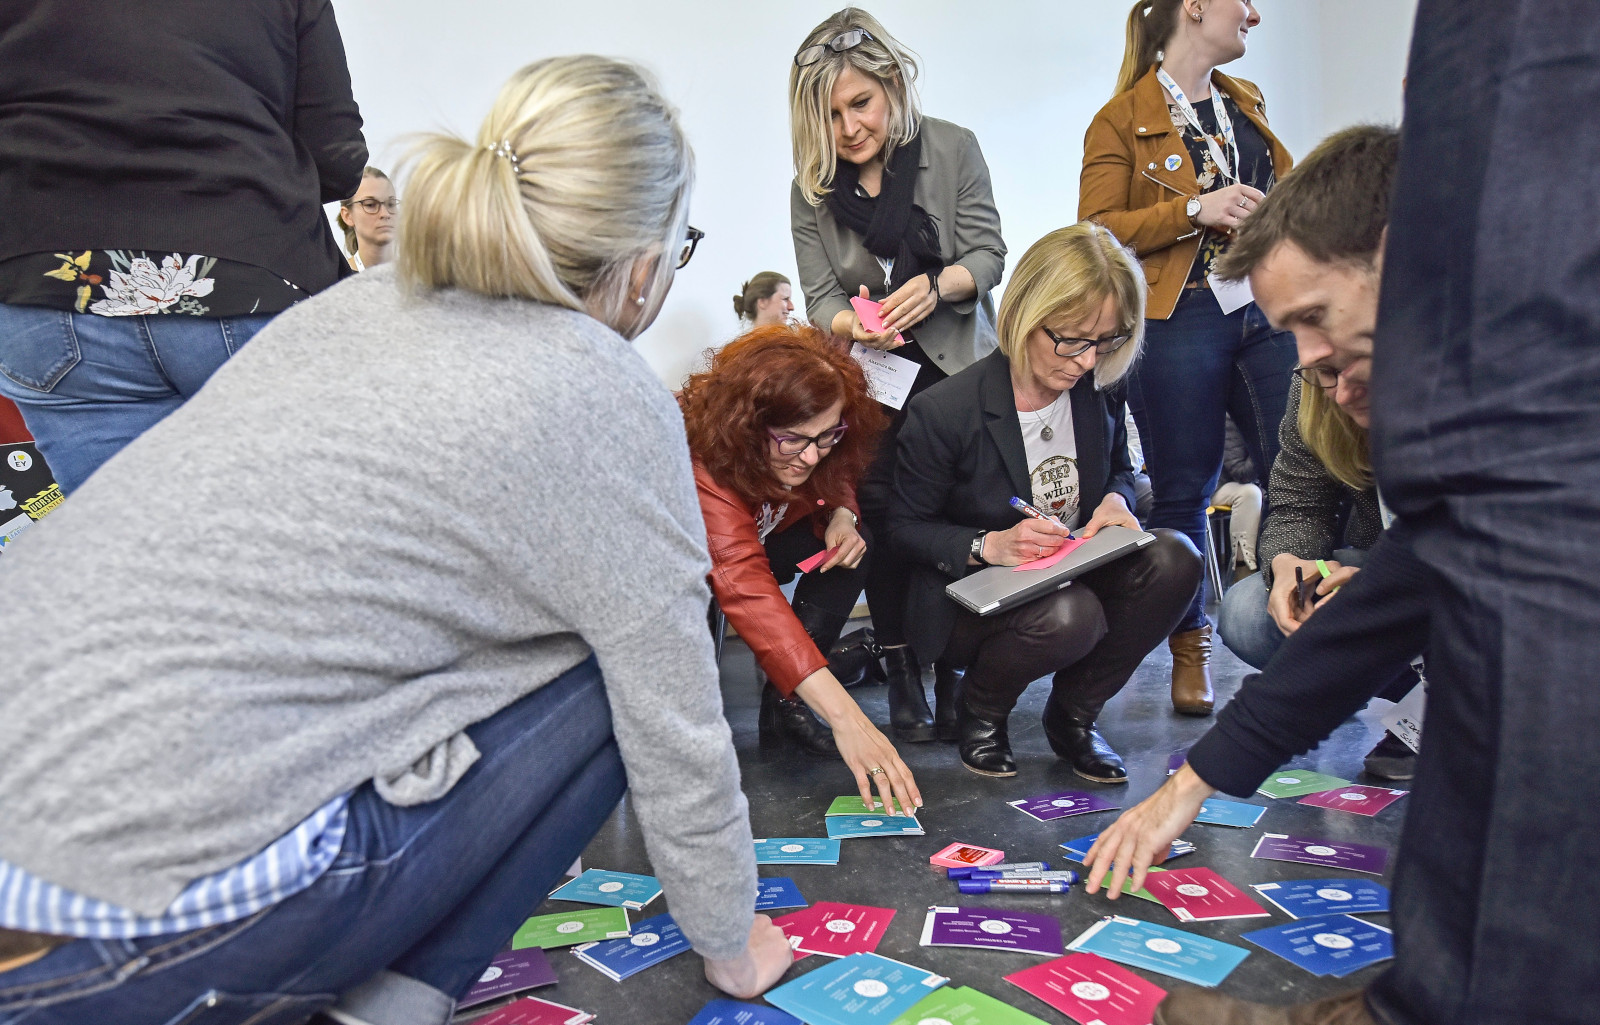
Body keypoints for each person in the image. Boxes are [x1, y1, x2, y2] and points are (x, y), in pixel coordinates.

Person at [0, 56, 794, 1025]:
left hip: (35, 847)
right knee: (612, 660)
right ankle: (388, 1004)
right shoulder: (599, 383)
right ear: (641, 266)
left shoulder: (344, 307)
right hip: (119, 940)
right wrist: (729, 933)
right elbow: (675, 721)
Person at [1077, 85, 1586, 1018]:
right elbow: (1394, 585)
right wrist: (1198, 775)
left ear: (1396, 256)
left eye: (1315, 315)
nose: (1306, 359)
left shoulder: (1543, 362)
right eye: (1289, 335)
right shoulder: (1427, 386)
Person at [0, 0, 367, 494]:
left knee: (124, 551)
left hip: (46, 287)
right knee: (286, 542)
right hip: (245, 271)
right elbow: (336, 158)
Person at [888, 224, 1201, 781]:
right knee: (1070, 614)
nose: (1085, 361)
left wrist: (1114, 498)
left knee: (1178, 557)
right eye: (1072, 340)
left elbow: (1123, 472)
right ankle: (981, 713)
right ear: (1027, 313)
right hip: (971, 598)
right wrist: (989, 544)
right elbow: (902, 528)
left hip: (1070, 568)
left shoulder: (1098, 383)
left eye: (1104, 342)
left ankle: (1074, 716)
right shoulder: (945, 411)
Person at [790, 7, 1007, 743]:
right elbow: (821, 300)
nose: (850, 128)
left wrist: (938, 285)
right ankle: (900, 667)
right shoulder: (811, 190)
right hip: (874, 382)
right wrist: (857, 323)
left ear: (893, 88)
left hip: (956, 374)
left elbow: (988, 256)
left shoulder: (952, 148)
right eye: (832, 114)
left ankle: (953, 670)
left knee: (952, 519)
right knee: (881, 519)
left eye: (862, 104)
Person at [1079, 0, 1297, 717]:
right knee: (1182, 487)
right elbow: (1096, 229)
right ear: (1195, 6)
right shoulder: (1118, 119)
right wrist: (1193, 211)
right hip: (1179, 315)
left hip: (1262, 306)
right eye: (1242, 1)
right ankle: (1192, 647)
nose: (1255, 15)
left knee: (1301, 465)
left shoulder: (1245, 103)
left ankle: (1309, 639)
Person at [680, 325, 919, 812]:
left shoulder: (817, 445)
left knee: (856, 545)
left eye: (826, 435)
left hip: (761, 539)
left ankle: (786, 703)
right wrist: (849, 718)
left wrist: (841, 513)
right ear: (745, 424)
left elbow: (839, 471)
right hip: (683, 573)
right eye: (791, 440)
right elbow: (747, 590)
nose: (810, 455)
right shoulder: (702, 462)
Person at [1209, 417, 1261, 584]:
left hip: (1249, 483)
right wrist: (1264, 443)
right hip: (1215, 487)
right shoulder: (1230, 419)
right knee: (1250, 494)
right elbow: (1241, 472)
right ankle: (1243, 568)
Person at [339, 167, 399, 270]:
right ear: (347, 216)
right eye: (370, 205)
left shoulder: (419, 279)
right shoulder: (334, 281)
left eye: (391, 204)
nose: (385, 214)